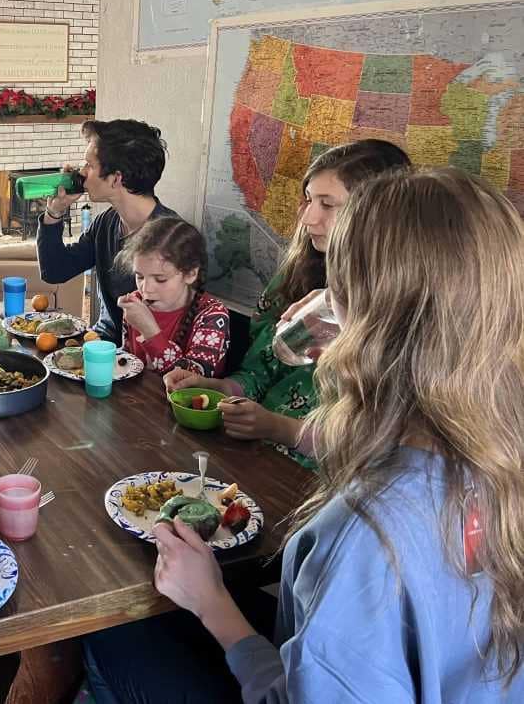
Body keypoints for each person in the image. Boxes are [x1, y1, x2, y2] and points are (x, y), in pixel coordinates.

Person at [85, 167, 524, 703]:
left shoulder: (367, 535)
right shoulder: (496, 453)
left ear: (365, 315)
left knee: (114, 635)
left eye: (338, 282)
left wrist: (211, 602)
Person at [164, 139, 410, 466]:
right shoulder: (296, 280)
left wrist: (282, 428)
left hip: (322, 483)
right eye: (308, 200)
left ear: (375, 215)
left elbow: (377, 440)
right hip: (256, 456)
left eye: (327, 204)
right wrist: (219, 388)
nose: (308, 217)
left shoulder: (404, 313)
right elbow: (262, 368)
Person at [37, 119, 180, 343]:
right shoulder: (107, 222)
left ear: (116, 178)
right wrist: (55, 212)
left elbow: (170, 332)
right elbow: (55, 271)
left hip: (143, 359)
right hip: (102, 343)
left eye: (90, 165)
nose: (82, 172)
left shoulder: (172, 239)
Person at [115, 217, 229, 375]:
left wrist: (151, 332)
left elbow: (190, 381)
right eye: (140, 277)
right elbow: (128, 362)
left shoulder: (213, 315)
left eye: (160, 279)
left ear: (191, 274)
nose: (145, 289)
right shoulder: (137, 301)